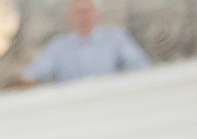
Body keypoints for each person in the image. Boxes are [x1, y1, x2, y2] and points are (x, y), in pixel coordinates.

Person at [17, 0, 149, 84]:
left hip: (111, 103)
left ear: (97, 14)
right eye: (77, 13)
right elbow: (32, 75)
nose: (83, 17)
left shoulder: (115, 37)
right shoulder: (58, 46)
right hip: (72, 110)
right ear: (68, 17)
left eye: (87, 12)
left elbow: (141, 67)